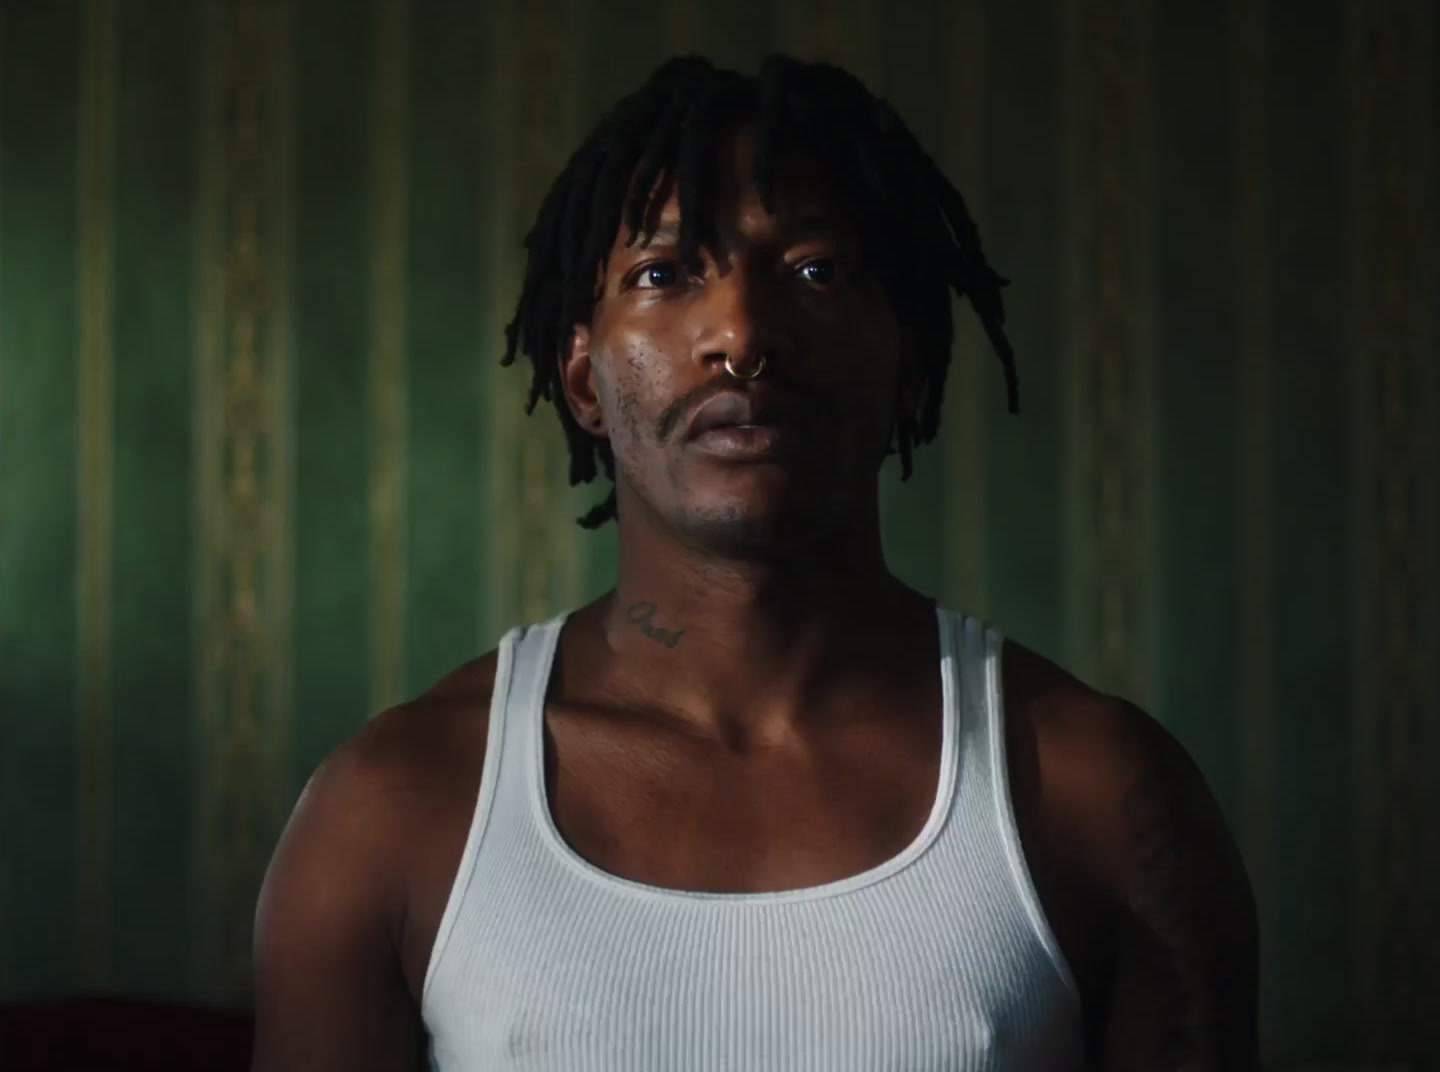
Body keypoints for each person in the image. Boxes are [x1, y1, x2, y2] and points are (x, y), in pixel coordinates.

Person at [251, 55, 1260, 1072]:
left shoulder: (1098, 790)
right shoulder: (394, 806)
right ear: (582, 380)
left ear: (909, 363)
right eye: (662, 274)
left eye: (816, 270)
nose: (741, 335)